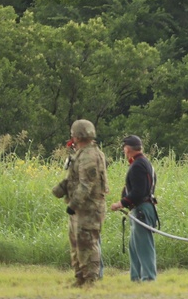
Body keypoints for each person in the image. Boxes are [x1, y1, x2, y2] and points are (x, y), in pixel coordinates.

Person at [51, 119, 109, 287]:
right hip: (81, 209)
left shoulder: (90, 155)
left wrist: (73, 204)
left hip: (89, 208)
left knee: (87, 243)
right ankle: (80, 277)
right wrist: (62, 188)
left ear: (78, 135)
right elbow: (75, 179)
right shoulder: (82, 153)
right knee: (76, 243)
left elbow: (86, 184)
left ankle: (91, 279)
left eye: (73, 134)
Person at [110, 135, 158, 282]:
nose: (124, 151)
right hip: (141, 209)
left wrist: (121, 203)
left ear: (128, 149)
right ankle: (136, 277)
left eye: (124, 148)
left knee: (144, 246)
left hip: (142, 210)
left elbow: (139, 191)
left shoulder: (137, 165)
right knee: (134, 246)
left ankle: (148, 278)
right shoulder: (144, 163)